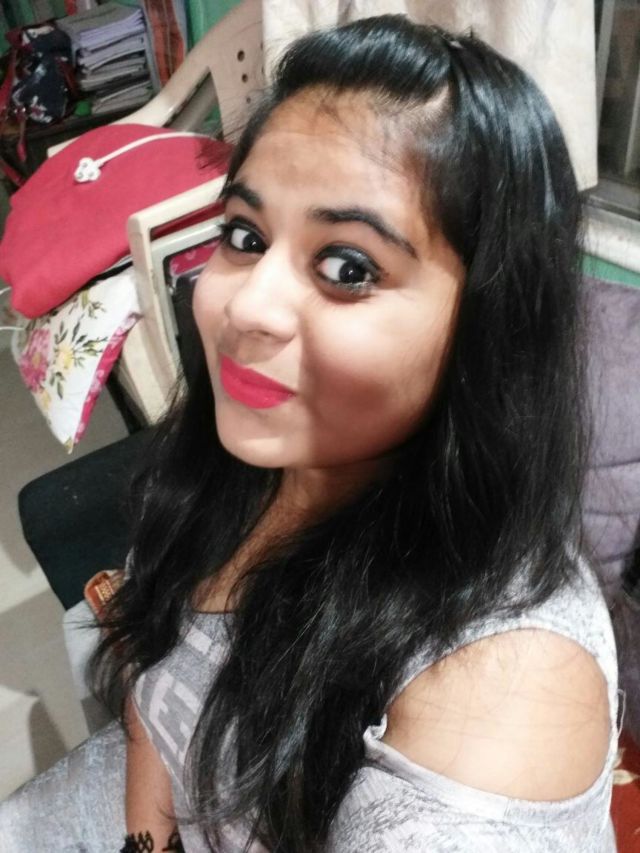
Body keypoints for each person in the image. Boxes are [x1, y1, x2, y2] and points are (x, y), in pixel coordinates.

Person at [0, 14, 619, 853]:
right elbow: (154, 693)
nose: (245, 306)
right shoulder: (255, 453)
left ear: (489, 325)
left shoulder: (503, 688)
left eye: (348, 267)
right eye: (245, 237)